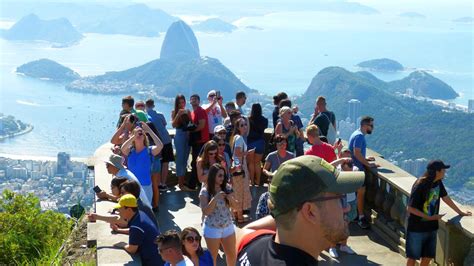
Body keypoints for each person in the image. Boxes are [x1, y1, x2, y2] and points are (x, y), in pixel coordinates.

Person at [236, 156, 365, 265]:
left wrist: (286, 211)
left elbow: (246, 230)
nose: (347, 207)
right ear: (310, 211)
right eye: (340, 198)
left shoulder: (250, 244)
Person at [406, 160, 472, 266]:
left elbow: (446, 198)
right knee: (412, 257)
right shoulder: (420, 185)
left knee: (427, 257)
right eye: (443, 170)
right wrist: (429, 217)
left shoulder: (437, 183)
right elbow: (410, 208)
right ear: (437, 172)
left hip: (431, 227)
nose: (445, 172)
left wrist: (460, 212)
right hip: (416, 227)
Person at [199, 163, 238, 266]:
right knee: (213, 258)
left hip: (228, 226)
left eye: (223, 175)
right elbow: (205, 211)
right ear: (213, 176)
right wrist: (215, 198)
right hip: (212, 228)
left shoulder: (227, 187)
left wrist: (230, 199)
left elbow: (236, 207)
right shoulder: (205, 191)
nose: (222, 178)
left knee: (232, 254)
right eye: (219, 175)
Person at [113, 194, 162, 266]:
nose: (118, 211)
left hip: (153, 262)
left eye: (120, 208)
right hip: (160, 256)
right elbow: (135, 232)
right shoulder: (140, 214)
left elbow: (132, 249)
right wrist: (119, 230)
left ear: (129, 209)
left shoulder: (136, 226)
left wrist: (123, 245)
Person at [348, 116, 379, 229]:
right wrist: (368, 164)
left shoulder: (356, 133)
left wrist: (365, 158)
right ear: (365, 126)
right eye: (371, 125)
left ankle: (355, 215)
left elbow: (357, 152)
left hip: (354, 168)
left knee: (356, 194)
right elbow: (356, 153)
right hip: (358, 170)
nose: (373, 128)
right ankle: (360, 217)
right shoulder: (360, 136)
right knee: (361, 193)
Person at [121, 123, 163, 204]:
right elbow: (123, 148)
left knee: (146, 210)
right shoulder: (130, 151)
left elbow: (160, 145)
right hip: (132, 187)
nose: (139, 135)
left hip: (145, 186)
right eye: (137, 133)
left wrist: (149, 131)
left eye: (141, 133)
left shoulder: (149, 150)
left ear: (144, 137)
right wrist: (133, 136)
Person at [146, 99, 174, 192]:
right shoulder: (160, 114)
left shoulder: (146, 117)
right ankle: (163, 184)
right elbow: (164, 124)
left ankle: (156, 185)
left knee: (156, 163)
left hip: (156, 143)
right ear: (153, 105)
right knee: (165, 163)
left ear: (146, 106)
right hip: (166, 140)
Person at [230, 117, 253, 223]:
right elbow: (237, 153)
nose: (245, 127)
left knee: (236, 191)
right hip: (240, 167)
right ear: (238, 127)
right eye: (242, 125)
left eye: (245, 124)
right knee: (240, 191)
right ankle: (239, 216)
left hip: (237, 167)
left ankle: (235, 214)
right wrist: (247, 153)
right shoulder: (239, 138)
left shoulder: (235, 137)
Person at [171, 94, 193, 191]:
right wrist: (178, 114)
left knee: (185, 158)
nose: (182, 104)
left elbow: (191, 123)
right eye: (179, 102)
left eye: (183, 102)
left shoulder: (188, 111)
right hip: (179, 135)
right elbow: (173, 125)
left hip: (187, 135)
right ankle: (180, 183)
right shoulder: (174, 112)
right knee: (180, 159)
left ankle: (182, 181)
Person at [190, 94, 210, 190]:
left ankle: (194, 183)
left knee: (197, 162)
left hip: (201, 140)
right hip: (196, 140)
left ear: (199, 101)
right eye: (192, 100)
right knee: (196, 161)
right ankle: (197, 182)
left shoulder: (200, 111)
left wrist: (191, 131)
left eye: (195, 100)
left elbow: (202, 125)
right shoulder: (193, 112)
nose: (193, 101)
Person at [247, 103, 268, 186]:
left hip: (250, 142)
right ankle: (258, 181)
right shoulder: (265, 120)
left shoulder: (248, 119)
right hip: (260, 142)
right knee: (258, 163)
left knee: (251, 163)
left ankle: (251, 181)